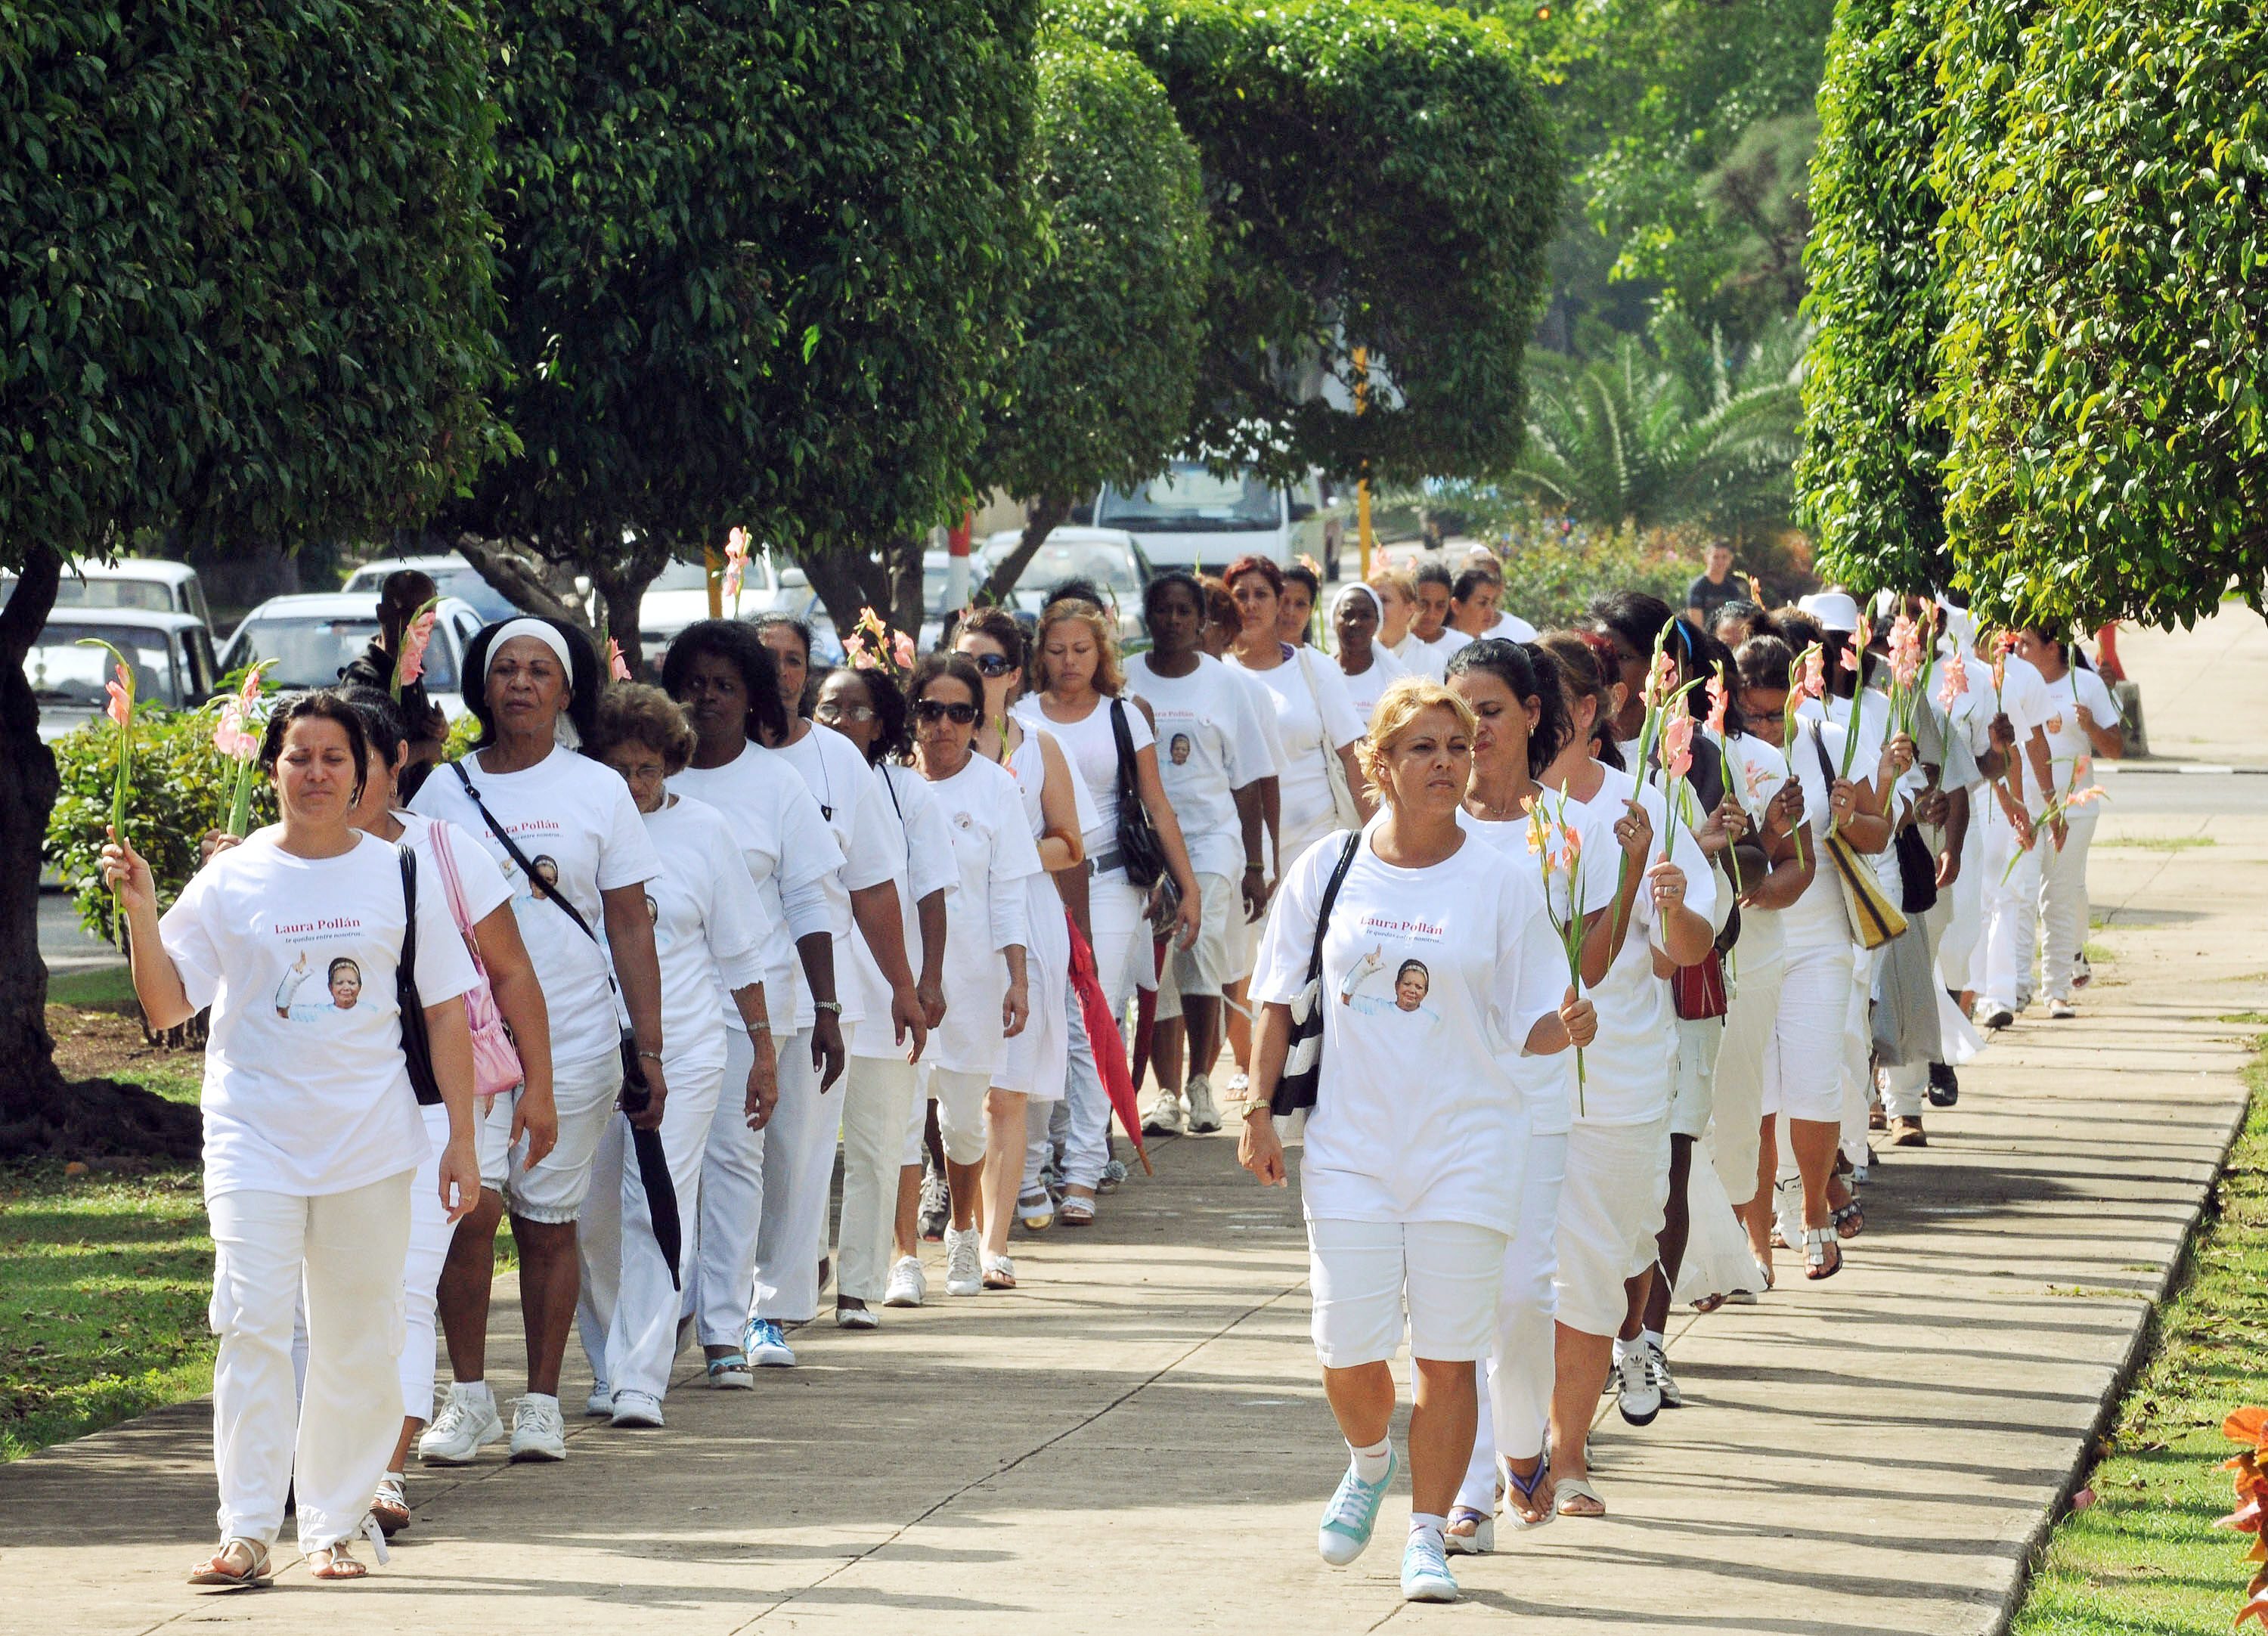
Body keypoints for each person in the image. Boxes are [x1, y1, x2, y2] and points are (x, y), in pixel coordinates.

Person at [107, 691, 482, 1585]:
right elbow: (167, 1005)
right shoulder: (233, 879)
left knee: (357, 1335)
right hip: (253, 1138)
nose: (316, 773)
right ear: (272, 769)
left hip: (369, 1140)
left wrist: (461, 1139)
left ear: (364, 774)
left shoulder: (401, 872)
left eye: (333, 759)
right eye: (298, 757)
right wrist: (142, 908)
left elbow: (444, 1016)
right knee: (250, 1323)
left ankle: (333, 1526)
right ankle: (243, 1528)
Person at [1238, 677, 1591, 1605]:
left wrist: (1570, 1025)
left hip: (1470, 1146)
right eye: (1424, 748)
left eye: (1458, 746)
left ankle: (1429, 1533)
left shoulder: (1503, 881)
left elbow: (1530, 1022)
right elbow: (1277, 997)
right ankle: (1366, 1460)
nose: (1446, 762)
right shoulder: (1329, 869)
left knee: (1445, 1352)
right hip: (1351, 1147)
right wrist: (1257, 1108)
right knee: (1345, 1349)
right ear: (1381, 765)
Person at [407, 616, 668, 1465]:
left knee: (548, 1220)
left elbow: (629, 924)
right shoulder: (444, 790)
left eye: (540, 671)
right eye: (506, 669)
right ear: (483, 685)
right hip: (472, 1041)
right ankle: (471, 1395)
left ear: (565, 691)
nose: (521, 683)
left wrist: (650, 1051)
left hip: (581, 1039)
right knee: (470, 1212)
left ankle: (543, 1401)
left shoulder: (597, 788)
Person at [330, 688, 553, 1535]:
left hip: (434, 1100)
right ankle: (319, 1458)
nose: (337, 781)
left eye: (356, 762)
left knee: (407, 1284)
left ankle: (385, 1472)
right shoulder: (274, 863)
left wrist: (538, 1083)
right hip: (319, 1113)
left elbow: (511, 974)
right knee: (327, 1294)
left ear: (394, 769)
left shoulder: (441, 851)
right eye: (316, 759)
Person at [1529, 631, 1715, 1511]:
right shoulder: (1485, 812)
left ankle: (1624, 1342)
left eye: (1547, 700)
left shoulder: (1650, 801)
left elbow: (1688, 950)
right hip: (1524, 1080)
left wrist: (1673, 903)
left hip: (1624, 1075)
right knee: (1546, 1272)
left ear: (1589, 710)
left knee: (1618, 1249)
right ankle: (1560, 1453)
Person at [575, 685, 778, 1426]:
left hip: (687, 1048)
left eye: (649, 769)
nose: (635, 784)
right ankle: (606, 1360)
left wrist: (763, 1048)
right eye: (621, 767)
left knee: (651, 1200)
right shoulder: (580, 827)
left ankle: (640, 1376)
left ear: (671, 767)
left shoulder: (705, 832)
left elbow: (740, 951)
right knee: (589, 1215)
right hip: (585, 1045)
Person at [662, 620, 842, 1380]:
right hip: (654, 1009)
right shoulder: (638, 778)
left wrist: (828, 1010)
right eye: (694, 683)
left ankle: (725, 1331)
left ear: (752, 697)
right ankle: (659, 1317)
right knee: (661, 1172)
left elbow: (808, 899)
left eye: (725, 685)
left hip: (750, 1011)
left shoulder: (778, 783)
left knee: (736, 1163)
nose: (707, 698)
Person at [744, 613, 926, 1355]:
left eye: (795, 661)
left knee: (801, 1152)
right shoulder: (697, 759)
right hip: (719, 995)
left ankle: (771, 1312)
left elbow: (874, 887)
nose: (782, 673)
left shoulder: (840, 764)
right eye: (768, 660)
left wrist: (905, 988)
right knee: (730, 1156)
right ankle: (705, 1301)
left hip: (822, 991)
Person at [1436, 640, 1583, 1542]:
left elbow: (1589, 958)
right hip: (1441, 1095)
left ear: (1533, 713)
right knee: (1460, 1298)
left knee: (1525, 1291)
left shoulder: (1564, 828)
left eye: (1490, 709)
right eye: (1459, 712)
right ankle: (1470, 1491)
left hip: (1535, 1087)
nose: (1474, 729)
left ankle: (1524, 1444)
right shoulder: (1418, 824)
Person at [1015, 599, 1204, 1222]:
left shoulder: (1124, 717)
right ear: (1040, 654)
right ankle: (1045, 1154)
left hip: (1111, 881)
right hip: (1038, 881)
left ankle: (1085, 1168)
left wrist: (1188, 885)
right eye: (1057, 649)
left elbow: (1157, 804)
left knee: (1095, 1020)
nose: (1069, 661)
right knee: (1050, 1019)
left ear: (1102, 655)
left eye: (1082, 649)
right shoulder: (1016, 719)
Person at [1730, 634, 1894, 1283]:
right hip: (1752, 936)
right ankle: (1758, 1237)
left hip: (1822, 937)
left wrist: (1851, 814)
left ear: (1799, 692)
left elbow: (1879, 831)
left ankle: (1816, 1214)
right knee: (1758, 1095)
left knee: (1814, 1077)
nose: (1768, 726)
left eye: (1778, 713)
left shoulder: (1827, 738)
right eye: (1755, 713)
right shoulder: (1723, 750)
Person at [810, 663, 954, 1325]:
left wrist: (924, 983)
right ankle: (798, 1270)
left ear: (883, 722)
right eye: (828, 707)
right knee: (804, 1146)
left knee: (875, 1143)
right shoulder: (793, 776)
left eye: (855, 709)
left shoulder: (907, 793)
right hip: (816, 989)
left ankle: (858, 1286)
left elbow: (929, 892)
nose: (840, 721)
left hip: (887, 987)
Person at [953, 608, 1090, 1277]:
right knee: (948, 1086)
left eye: (992, 665)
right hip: (946, 923)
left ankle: (993, 1242)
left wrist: (1005, 853)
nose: (980, 677)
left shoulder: (1039, 746)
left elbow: (1072, 844)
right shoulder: (927, 742)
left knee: (1001, 1093)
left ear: (1014, 674)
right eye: (968, 661)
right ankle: (946, 1220)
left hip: (1023, 923)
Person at [910, 652, 1039, 1295]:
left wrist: (1018, 979)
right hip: (896, 976)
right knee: (901, 1122)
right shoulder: (887, 781)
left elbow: (1010, 891)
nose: (943, 726)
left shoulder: (995, 788)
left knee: (962, 1122)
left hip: (973, 977)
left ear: (976, 721)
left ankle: (964, 1232)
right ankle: (902, 1256)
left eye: (959, 713)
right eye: (931, 711)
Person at [1126, 572, 1273, 1136]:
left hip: (1213, 841)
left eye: (1185, 611)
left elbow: (1249, 782)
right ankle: (1164, 1092)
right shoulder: (1129, 679)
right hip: (1147, 843)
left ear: (1200, 620)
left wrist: (1256, 867)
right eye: (1162, 610)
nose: (1173, 620)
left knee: (1201, 945)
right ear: (1149, 616)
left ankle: (1201, 1083)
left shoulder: (1225, 685)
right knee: (1159, 959)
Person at [1225, 555, 1374, 868]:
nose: (1251, 605)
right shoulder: (1217, 671)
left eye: (1261, 595)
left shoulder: (1315, 669)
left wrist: (1376, 834)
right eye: (1241, 595)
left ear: (1277, 601)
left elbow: (1353, 755)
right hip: (1236, 846)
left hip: (1314, 840)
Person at [2014, 624, 2123, 1018]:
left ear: (2052, 646)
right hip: (2024, 808)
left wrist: (2090, 725)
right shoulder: (2014, 680)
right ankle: (2013, 987)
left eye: (2026, 643)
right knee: (2020, 896)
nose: (2018, 649)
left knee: (2057, 897)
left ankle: (2056, 991)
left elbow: (2115, 748)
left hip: (2074, 808)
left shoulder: (2085, 684)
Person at [338, 569, 451, 778]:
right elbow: (367, 758)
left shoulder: (411, 668)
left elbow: (421, 734)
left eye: (427, 615)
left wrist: (440, 729)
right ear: (382, 613)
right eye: (409, 613)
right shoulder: (362, 679)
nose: (418, 623)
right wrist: (425, 750)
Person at [1329, 582, 1408, 727]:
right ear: (1334, 619)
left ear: (1377, 622)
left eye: (1365, 616)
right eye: (1347, 614)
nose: (1355, 623)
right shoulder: (1319, 673)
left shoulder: (1395, 680)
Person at [1394, 559, 1471, 680]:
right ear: (1410, 601)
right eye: (1423, 604)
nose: (1431, 614)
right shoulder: (1392, 644)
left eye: (1440, 606)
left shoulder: (1464, 647)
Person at [1449, 562, 1538, 643]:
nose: (1491, 611)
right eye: (1482, 603)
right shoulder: (1438, 652)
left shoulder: (1493, 649)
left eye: (1493, 603)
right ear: (1456, 606)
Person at [1685, 540, 1743, 627]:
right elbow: (1696, 626)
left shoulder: (1732, 588)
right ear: (1706, 558)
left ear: (1730, 559)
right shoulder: (1698, 588)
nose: (1720, 561)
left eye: (1724, 557)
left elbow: (1737, 619)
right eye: (1716, 557)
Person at [1367, 565, 1418, 654]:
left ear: (1410, 609)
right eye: (1373, 599)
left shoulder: (1432, 659)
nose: (1376, 607)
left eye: (1384, 600)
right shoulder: (1358, 656)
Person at [1281, 561, 1322, 649]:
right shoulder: (1250, 660)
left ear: (1311, 610)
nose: (1291, 612)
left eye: (1300, 604)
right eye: (1284, 602)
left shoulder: (1321, 662)